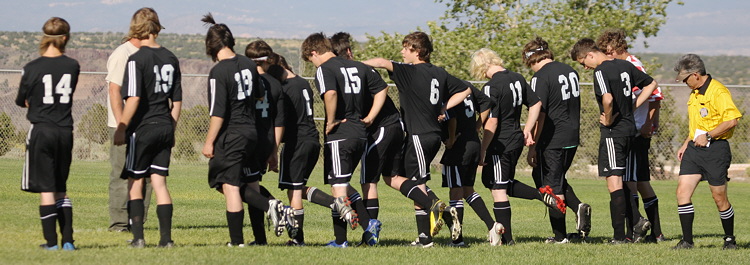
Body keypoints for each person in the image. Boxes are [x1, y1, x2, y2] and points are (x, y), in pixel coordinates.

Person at [363, 31, 471, 247]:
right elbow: (466, 88)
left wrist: (355, 65)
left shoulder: (409, 72)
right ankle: (426, 236)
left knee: (419, 184)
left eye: (406, 48)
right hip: (430, 134)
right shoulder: (439, 72)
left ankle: (441, 220)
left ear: (418, 51)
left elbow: (382, 62)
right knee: (409, 181)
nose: (402, 52)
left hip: (420, 135)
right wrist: (445, 106)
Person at [200, 14, 296, 248]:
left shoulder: (218, 71)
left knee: (228, 184)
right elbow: (259, 95)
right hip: (252, 132)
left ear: (211, 46)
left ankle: (243, 235)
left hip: (231, 134)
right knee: (247, 183)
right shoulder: (247, 64)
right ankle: (260, 233)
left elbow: (218, 113)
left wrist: (209, 141)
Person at [470, 47, 569, 246]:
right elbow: (535, 104)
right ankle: (541, 195)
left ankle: (507, 240)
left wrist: (482, 149)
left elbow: (493, 121)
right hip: (515, 139)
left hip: (501, 142)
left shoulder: (491, 86)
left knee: (498, 189)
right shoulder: (517, 78)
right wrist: (528, 128)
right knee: (496, 181)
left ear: (482, 66)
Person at [570, 38, 657, 244]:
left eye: (583, 62)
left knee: (614, 182)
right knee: (625, 180)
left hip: (614, 132)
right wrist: (633, 106)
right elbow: (652, 83)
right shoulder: (625, 65)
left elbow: (607, 98)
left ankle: (619, 236)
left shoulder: (600, 71)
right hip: (630, 130)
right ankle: (636, 221)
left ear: (590, 54)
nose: (584, 67)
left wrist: (608, 118)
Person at [301, 32, 382, 248]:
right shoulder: (357, 66)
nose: (312, 64)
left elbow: (330, 94)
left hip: (341, 134)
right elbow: (382, 88)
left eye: (310, 60)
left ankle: (341, 241)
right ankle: (369, 224)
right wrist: (371, 116)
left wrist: (330, 120)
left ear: (314, 52)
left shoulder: (324, 69)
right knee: (345, 186)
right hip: (360, 133)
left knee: (337, 189)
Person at [113, 8, 181, 248]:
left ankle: (138, 237)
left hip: (142, 128)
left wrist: (122, 126)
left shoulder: (136, 59)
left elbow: (133, 98)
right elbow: (178, 100)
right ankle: (166, 239)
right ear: (157, 27)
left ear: (136, 27)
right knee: (160, 183)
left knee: (136, 181)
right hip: (164, 125)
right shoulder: (171, 57)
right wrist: (171, 127)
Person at [596, 29, 666, 243]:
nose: (607, 57)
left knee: (634, 181)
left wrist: (648, 122)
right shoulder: (621, 65)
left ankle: (646, 231)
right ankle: (647, 232)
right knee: (634, 180)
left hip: (635, 129)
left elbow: (655, 95)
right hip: (630, 127)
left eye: (608, 52)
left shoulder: (631, 64)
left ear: (614, 50)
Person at [17, 17, 79, 251]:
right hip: (64, 131)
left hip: (42, 130)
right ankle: (69, 241)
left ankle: (51, 243)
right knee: (61, 187)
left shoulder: (32, 67)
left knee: (46, 189)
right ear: (65, 38)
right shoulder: (73, 65)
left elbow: (22, 100)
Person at [522, 37, 592, 243]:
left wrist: (532, 144)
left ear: (530, 58)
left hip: (553, 138)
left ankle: (560, 237)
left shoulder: (540, 77)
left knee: (553, 188)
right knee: (551, 179)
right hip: (572, 134)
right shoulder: (570, 71)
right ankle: (578, 206)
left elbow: (540, 114)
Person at [269, 53, 340, 246]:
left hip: (297, 143)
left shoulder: (284, 88)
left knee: (293, 191)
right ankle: (334, 203)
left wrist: (273, 148)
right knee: (299, 187)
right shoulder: (301, 82)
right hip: (312, 140)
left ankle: (297, 239)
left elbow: (281, 121)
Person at [672, 54, 741, 250]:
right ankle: (687, 241)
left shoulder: (718, 91)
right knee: (682, 192)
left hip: (716, 150)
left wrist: (709, 136)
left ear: (695, 75)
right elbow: (697, 126)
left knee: (719, 198)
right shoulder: (694, 93)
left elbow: (732, 120)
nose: (684, 83)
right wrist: (686, 143)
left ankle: (729, 240)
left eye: (685, 79)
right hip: (694, 149)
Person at [330, 32, 400, 225]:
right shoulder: (352, 70)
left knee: (368, 181)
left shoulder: (357, 70)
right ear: (349, 51)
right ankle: (432, 202)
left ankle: (371, 230)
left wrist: (370, 117)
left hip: (384, 126)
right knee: (391, 178)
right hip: (385, 127)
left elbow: (382, 88)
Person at [104, 7, 154, 234]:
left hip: (146, 125)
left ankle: (137, 222)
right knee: (121, 175)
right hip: (123, 125)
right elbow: (114, 91)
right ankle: (119, 224)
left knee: (148, 177)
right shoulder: (122, 53)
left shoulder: (151, 54)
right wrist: (122, 124)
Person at [438, 79, 494, 247]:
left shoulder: (447, 90)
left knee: (455, 192)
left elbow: (452, 118)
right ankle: (493, 226)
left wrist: (452, 138)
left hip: (459, 146)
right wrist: (476, 127)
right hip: (473, 143)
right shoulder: (466, 86)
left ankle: (458, 240)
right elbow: (488, 102)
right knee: (468, 190)